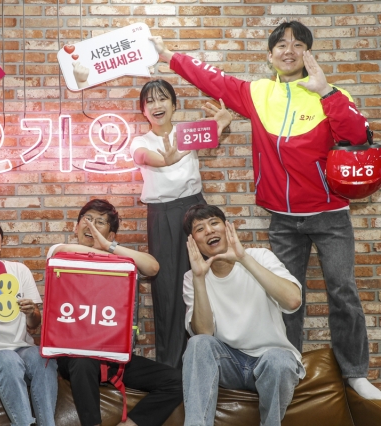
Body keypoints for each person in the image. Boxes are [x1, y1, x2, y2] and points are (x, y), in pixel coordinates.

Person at [150, 21, 381, 399]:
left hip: (330, 215)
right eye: (281, 45)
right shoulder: (258, 93)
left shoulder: (332, 93)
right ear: (270, 55)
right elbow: (214, 79)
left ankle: (355, 373)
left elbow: (357, 136)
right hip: (283, 219)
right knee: (286, 300)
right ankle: (289, 367)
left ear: (308, 53)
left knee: (343, 293)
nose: (289, 51)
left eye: (298, 44)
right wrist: (166, 55)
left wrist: (325, 92)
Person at [48, 199, 183, 426]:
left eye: (100, 222)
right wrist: (101, 249)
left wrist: (109, 247)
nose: (91, 225)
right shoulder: (60, 252)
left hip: (113, 355)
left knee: (176, 380)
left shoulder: (118, 259)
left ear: (111, 235)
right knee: (82, 360)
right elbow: (63, 250)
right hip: (75, 355)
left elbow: (152, 267)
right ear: (76, 226)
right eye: (87, 219)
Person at [130, 79, 232, 368]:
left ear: (174, 105)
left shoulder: (188, 132)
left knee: (208, 280)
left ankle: (212, 360)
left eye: (163, 98)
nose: (157, 105)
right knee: (168, 289)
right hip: (162, 214)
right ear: (143, 110)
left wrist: (222, 121)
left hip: (195, 208)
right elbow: (144, 157)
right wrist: (167, 159)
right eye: (150, 101)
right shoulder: (140, 141)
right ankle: (171, 368)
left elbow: (215, 129)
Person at [182, 204, 304, 426]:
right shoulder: (192, 278)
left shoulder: (260, 256)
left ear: (227, 227)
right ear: (193, 242)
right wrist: (199, 278)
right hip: (228, 363)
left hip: (270, 360)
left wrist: (243, 258)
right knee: (198, 343)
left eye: (214, 223)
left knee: (278, 360)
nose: (209, 231)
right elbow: (204, 333)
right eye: (200, 229)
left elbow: (293, 300)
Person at [0, 212, 58, 426]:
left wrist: (31, 313)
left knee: (43, 357)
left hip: (21, 350)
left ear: (1, 237)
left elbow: (34, 325)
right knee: (7, 359)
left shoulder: (19, 270)